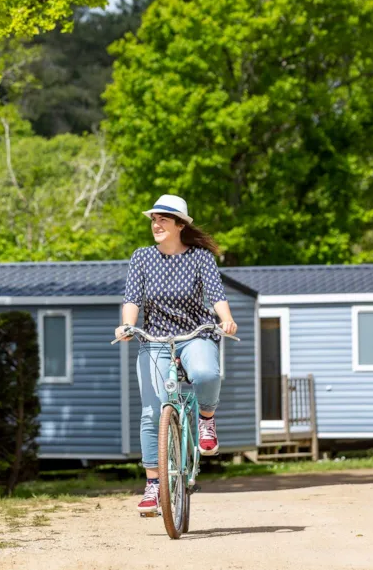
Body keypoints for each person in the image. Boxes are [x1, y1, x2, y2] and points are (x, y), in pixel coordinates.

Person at [113, 194, 238, 515]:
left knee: (207, 374)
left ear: (180, 225)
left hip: (195, 334)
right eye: (153, 219)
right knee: (152, 412)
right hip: (154, 338)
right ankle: (154, 485)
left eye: (163, 219)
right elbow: (132, 299)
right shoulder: (141, 257)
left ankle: (206, 419)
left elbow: (216, 294)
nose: (156, 224)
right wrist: (127, 326)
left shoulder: (200, 258)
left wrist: (225, 318)